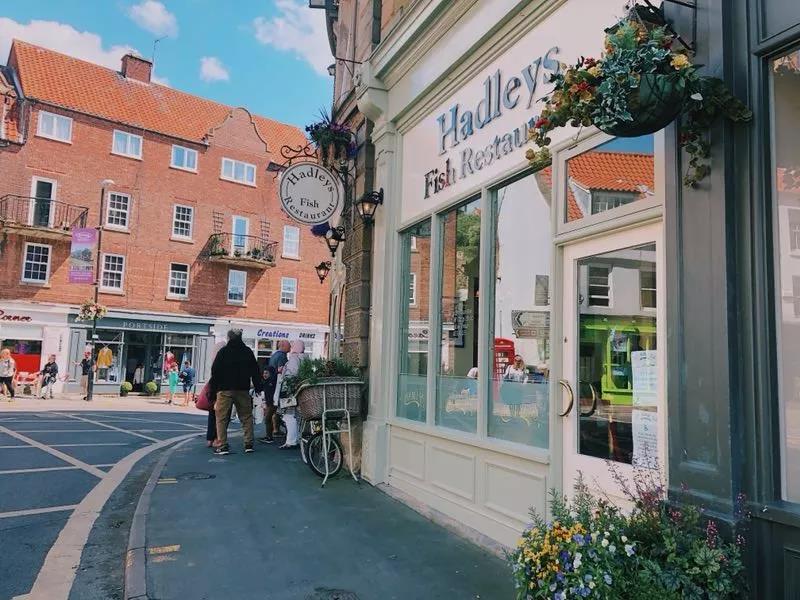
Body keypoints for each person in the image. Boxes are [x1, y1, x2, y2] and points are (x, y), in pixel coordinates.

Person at [211, 329, 262, 455]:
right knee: (246, 417)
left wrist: (213, 391)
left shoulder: (223, 352)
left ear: (229, 338)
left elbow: (215, 371)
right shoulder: (247, 352)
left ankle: (223, 446)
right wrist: (258, 387)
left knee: (222, 418)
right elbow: (255, 370)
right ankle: (248, 444)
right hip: (242, 389)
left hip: (225, 389)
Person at [258, 339, 290, 444]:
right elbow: (282, 371)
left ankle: (271, 435)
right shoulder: (282, 356)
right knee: (275, 414)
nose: (290, 348)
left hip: (271, 400)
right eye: (289, 346)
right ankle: (273, 433)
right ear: (283, 346)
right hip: (276, 394)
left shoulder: (274, 355)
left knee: (270, 416)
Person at [278, 340, 304, 449]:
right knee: (296, 416)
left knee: (288, 415)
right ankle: (296, 438)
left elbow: (292, 374)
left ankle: (291, 441)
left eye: (292, 346)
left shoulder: (294, 358)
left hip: (290, 391)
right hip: (298, 391)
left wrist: (283, 372)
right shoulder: (303, 358)